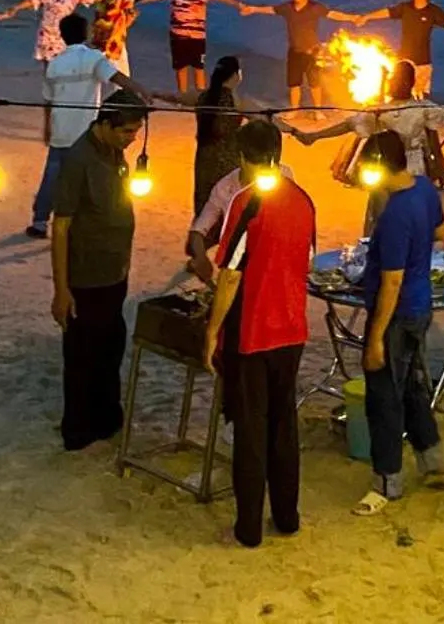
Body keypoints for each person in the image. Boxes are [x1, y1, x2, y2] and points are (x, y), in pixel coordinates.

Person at [203, 121, 317, 547]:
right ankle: (287, 516)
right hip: (293, 330)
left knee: (251, 430)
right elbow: (304, 260)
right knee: (283, 424)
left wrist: (212, 331)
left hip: (254, 332)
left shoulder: (245, 203)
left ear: (243, 157)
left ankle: (249, 526)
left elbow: (229, 276)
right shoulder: (304, 200)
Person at [355, 128, 444, 516]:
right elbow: (441, 232)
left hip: (396, 314)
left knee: (384, 398)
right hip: (421, 306)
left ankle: (386, 481)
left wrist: (375, 337)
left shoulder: (395, 215)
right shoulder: (425, 189)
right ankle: (433, 461)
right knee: (412, 387)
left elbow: (391, 282)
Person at [51, 88, 145, 451]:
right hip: (86, 278)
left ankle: (107, 417)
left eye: (135, 133)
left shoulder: (115, 154)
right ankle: (78, 428)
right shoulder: (78, 160)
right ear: (104, 125)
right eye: (126, 132)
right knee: (81, 356)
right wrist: (62, 290)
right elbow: (61, 226)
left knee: (110, 347)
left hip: (114, 274)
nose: (131, 139)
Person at [289, 61, 444, 230]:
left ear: (406, 83)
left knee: (393, 219)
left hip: (404, 172)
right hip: (396, 169)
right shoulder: (385, 111)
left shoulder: (416, 109)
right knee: (387, 219)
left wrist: (313, 136)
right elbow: (349, 124)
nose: (390, 82)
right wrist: (315, 135)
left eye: (394, 78)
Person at [28, 15, 127, 239]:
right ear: (86, 32)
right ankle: (83, 221)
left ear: (62, 35)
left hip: (60, 129)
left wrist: (47, 128)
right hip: (86, 132)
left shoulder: (55, 63)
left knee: (52, 176)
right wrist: (143, 92)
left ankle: (40, 221)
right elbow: (119, 78)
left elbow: (48, 101)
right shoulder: (94, 58)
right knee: (91, 177)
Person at [236, 0, 355, 109]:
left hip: (313, 51)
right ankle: (294, 111)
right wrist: (253, 9)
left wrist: (353, 18)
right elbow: (271, 10)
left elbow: (333, 14)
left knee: (315, 84)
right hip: (294, 51)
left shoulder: (315, 8)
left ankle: (318, 111)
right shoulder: (287, 7)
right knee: (294, 84)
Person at [348, 0, 444, 95]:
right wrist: (367, 17)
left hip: (423, 62)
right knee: (398, 94)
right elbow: (388, 12)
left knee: (420, 96)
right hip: (404, 61)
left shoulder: (434, 11)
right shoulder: (405, 8)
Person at [186, 152, 297, 284]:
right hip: (239, 261)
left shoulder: (283, 174)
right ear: (243, 159)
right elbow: (198, 230)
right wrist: (200, 257)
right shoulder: (225, 188)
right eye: (257, 163)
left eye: (268, 164)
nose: (263, 170)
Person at [134, 0, 242, 90]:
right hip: (178, 35)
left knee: (198, 67)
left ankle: (201, 95)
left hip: (198, 36)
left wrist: (239, 5)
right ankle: (183, 96)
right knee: (181, 68)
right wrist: (133, 2)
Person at [192, 56, 249, 214]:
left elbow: (176, 97)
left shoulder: (204, 97)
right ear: (236, 75)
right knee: (228, 206)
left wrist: (152, 94)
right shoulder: (237, 101)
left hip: (205, 159)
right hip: (228, 160)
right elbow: (265, 117)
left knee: (205, 206)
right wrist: (295, 132)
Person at [18, 0, 99, 69]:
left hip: (65, 35)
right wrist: (16, 8)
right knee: (49, 68)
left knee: (64, 65)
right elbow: (33, 0)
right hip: (48, 34)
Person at [89, 0, 138, 74]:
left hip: (100, 44)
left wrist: (129, 17)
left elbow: (113, 24)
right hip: (114, 46)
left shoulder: (101, 3)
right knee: (120, 76)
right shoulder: (120, 2)